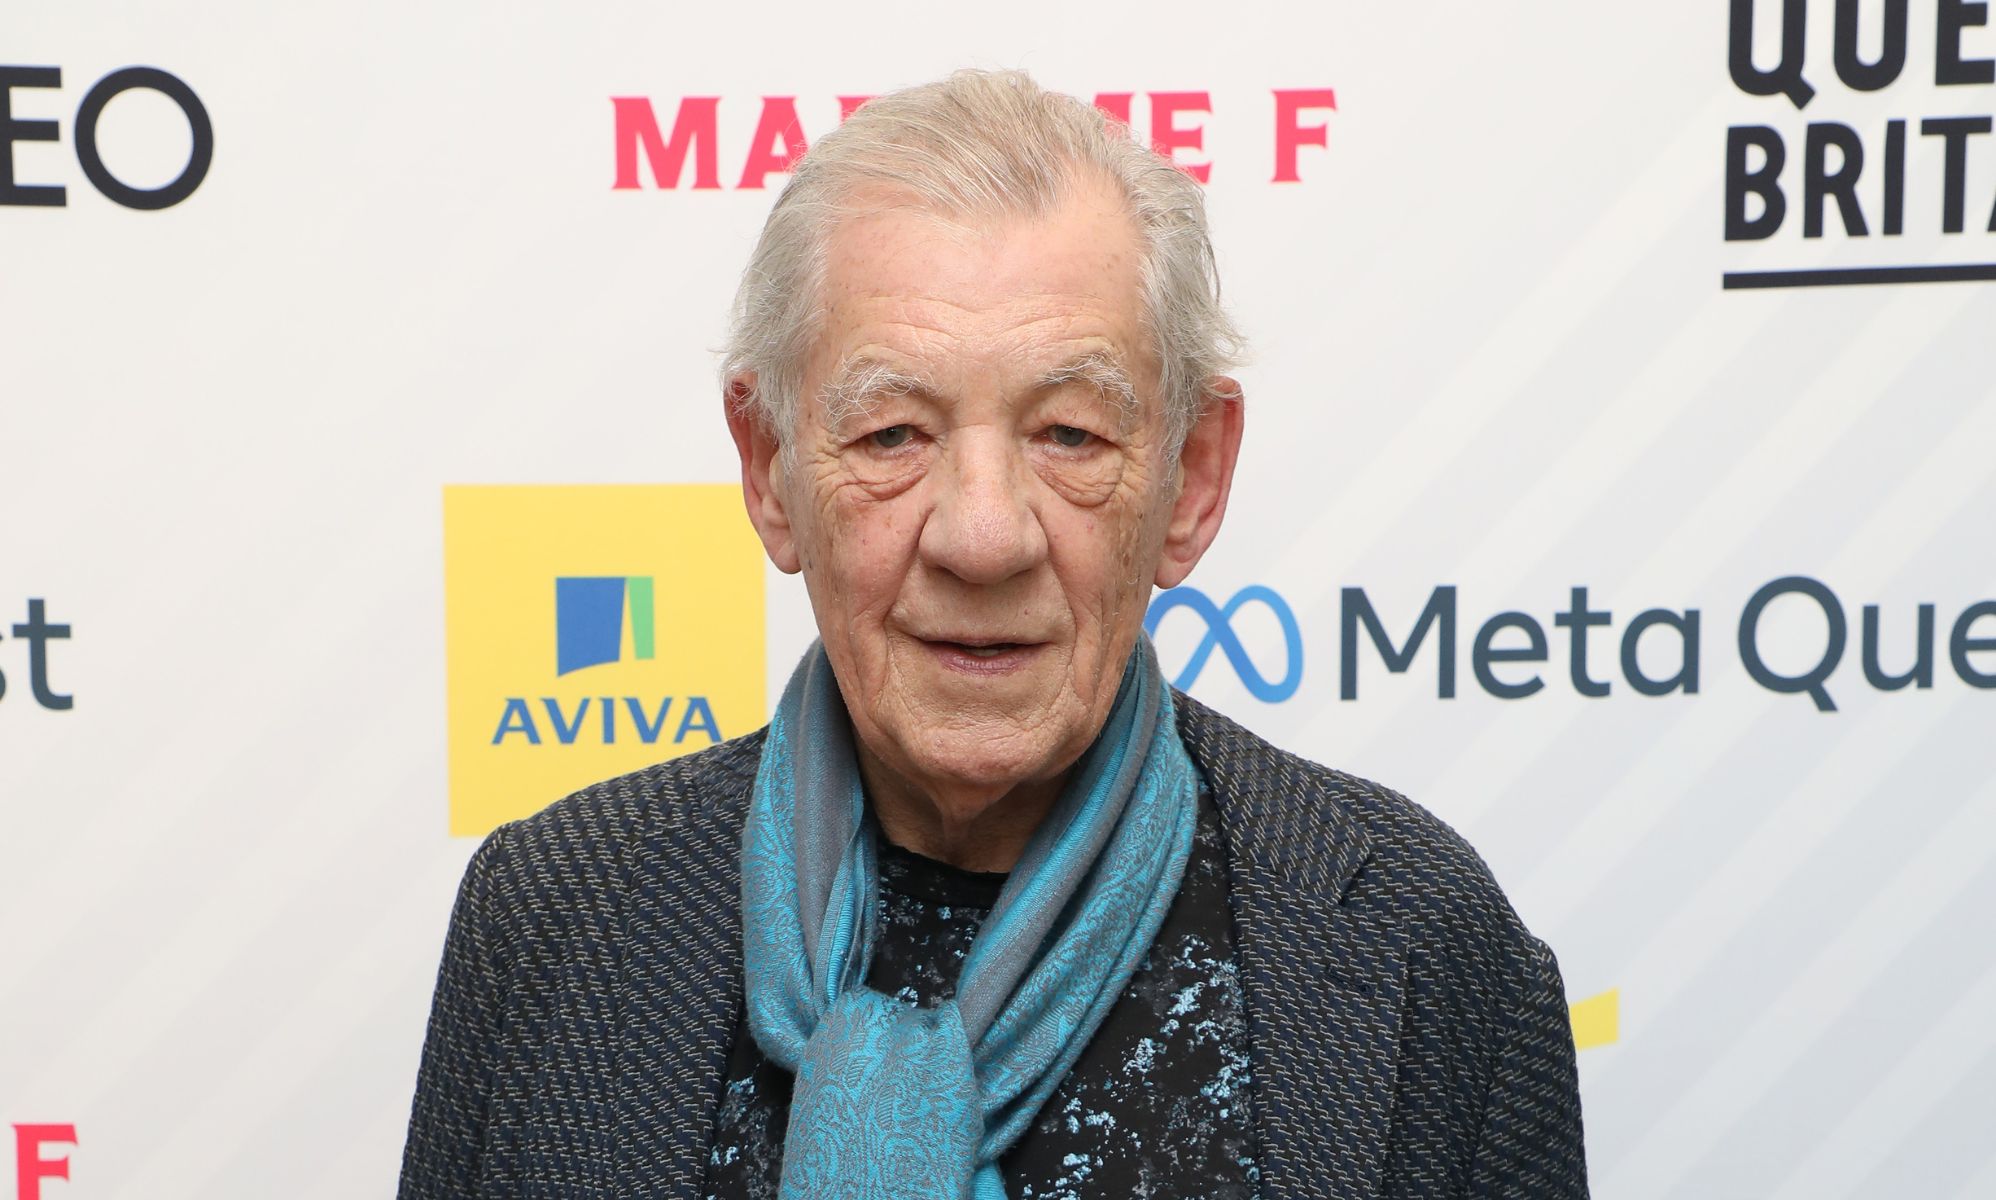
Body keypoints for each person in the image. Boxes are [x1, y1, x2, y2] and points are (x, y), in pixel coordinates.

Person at [399, 68, 1587, 1200]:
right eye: (892, 435)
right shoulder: (553, 918)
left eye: (1069, 434)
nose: (981, 536)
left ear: (1188, 481)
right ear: (769, 472)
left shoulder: (1419, 946)